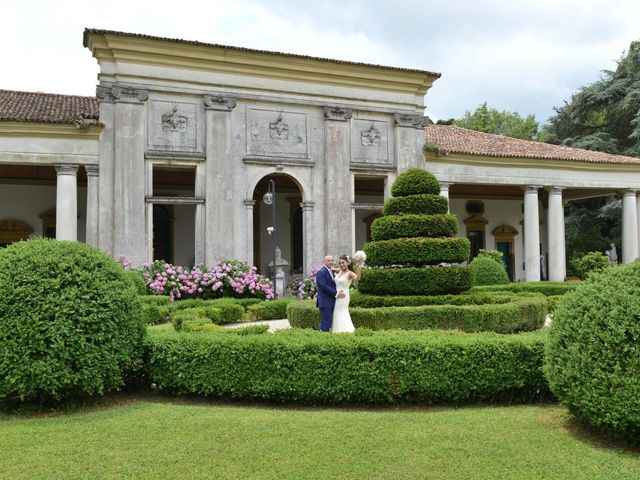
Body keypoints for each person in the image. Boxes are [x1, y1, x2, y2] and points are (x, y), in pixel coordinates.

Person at [331, 255, 362, 333]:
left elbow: (358, 278)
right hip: (337, 295)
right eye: (340, 263)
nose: (341, 264)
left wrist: (359, 267)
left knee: (342, 311)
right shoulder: (339, 271)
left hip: (343, 296)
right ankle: (337, 330)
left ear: (347, 263)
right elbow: (330, 269)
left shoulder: (350, 273)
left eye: (343, 262)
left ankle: (345, 330)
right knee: (337, 312)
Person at [316, 255, 345, 332]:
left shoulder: (331, 271)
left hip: (332, 300)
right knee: (326, 320)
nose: (331, 262)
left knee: (331, 320)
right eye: (328, 260)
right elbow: (323, 287)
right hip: (325, 301)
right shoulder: (321, 272)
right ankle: (323, 338)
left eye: (332, 260)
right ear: (324, 262)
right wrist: (337, 293)